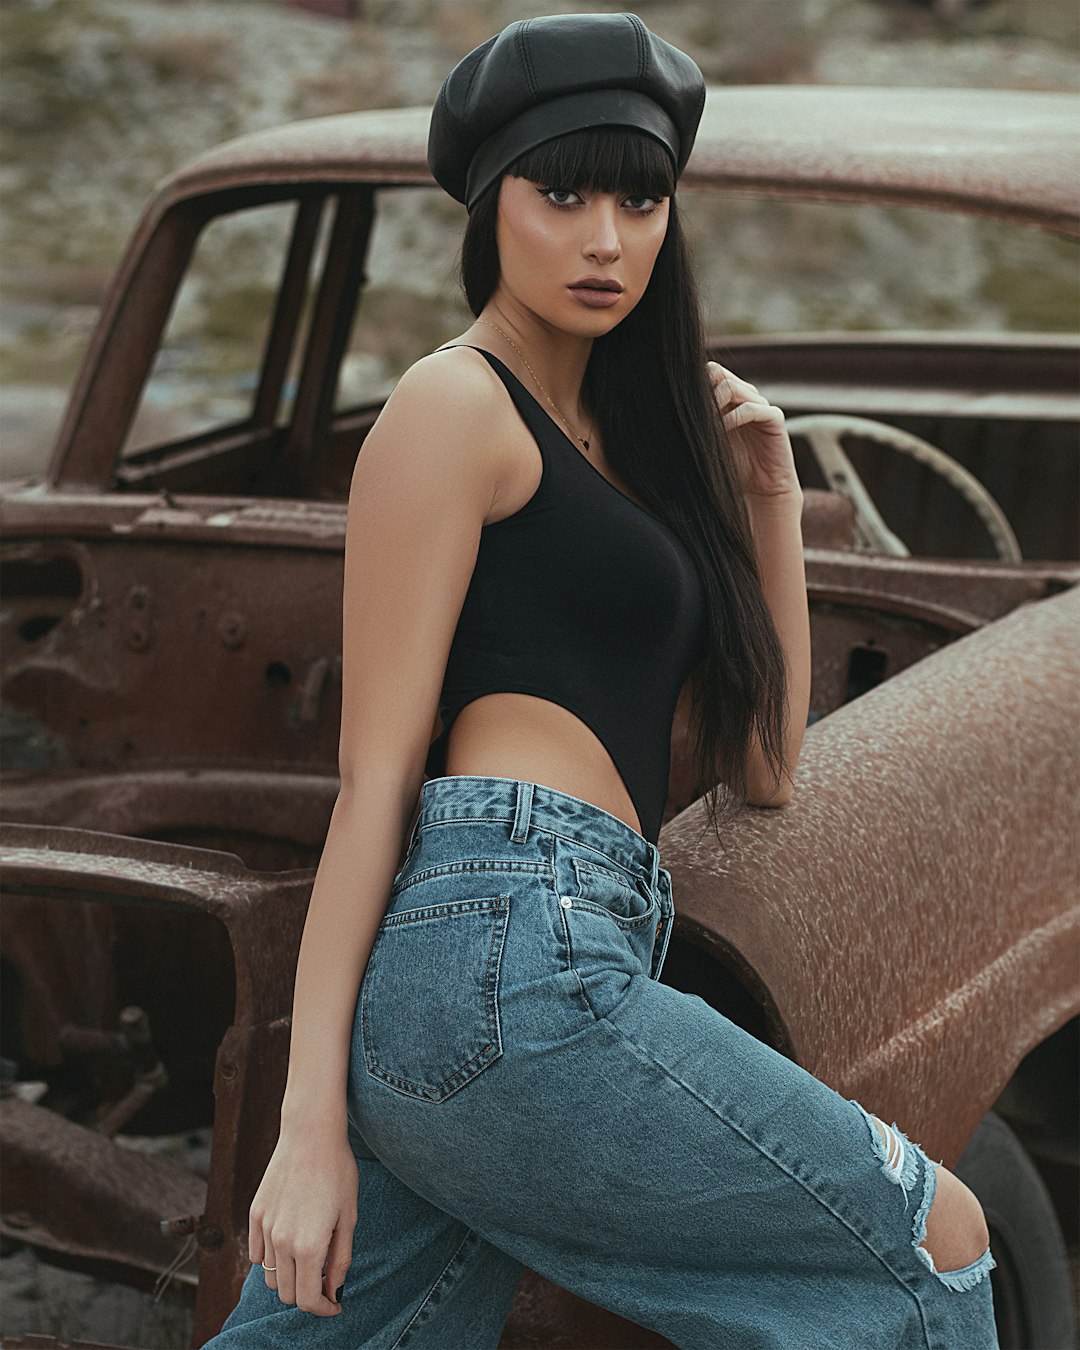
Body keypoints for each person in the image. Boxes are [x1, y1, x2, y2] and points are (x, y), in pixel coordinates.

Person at [202, 13, 998, 1349]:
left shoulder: (627, 444)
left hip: (550, 958)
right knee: (937, 1241)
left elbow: (766, 763)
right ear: (489, 207)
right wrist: (306, 1122)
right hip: (507, 950)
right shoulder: (456, 408)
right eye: (560, 194)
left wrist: (767, 490)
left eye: (639, 198)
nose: (605, 238)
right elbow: (371, 784)